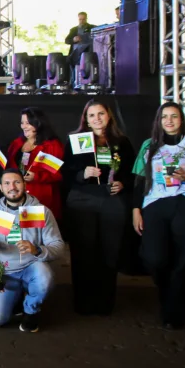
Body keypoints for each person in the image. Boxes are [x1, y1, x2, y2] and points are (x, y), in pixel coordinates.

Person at [131, 102, 185, 329]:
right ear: (158, 121)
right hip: (156, 201)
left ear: (181, 120)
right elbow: (139, 181)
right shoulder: (149, 146)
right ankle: (166, 294)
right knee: (155, 258)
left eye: (174, 116)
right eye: (164, 117)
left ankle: (174, 315)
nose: (169, 121)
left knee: (183, 260)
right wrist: (135, 210)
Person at [62, 100, 134, 316]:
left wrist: (123, 183)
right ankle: (83, 303)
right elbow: (65, 174)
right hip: (83, 200)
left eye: (100, 114)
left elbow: (132, 172)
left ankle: (105, 303)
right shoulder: (76, 141)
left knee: (109, 251)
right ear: (86, 119)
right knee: (84, 252)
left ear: (109, 116)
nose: (97, 119)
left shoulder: (121, 142)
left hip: (111, 201)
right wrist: (82, 174)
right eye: (91, 115)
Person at [0, 170, 68, 331]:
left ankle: (31, 309)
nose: (12, 187)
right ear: (1, 188)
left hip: (32, 266)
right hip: (6, 270)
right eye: (7, 183)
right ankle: (16, 296)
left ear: (25, 185)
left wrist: (37, 250)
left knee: (44, 276)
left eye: (17, 182)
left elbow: (58, 247)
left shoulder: (41, 211)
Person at [5, 107, 64, 219]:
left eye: (28, 123)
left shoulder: (51, 145)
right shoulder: (16, 143)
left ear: (38, 123)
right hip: (17, 196)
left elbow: (57, 175)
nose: (24, 126)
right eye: (22, 123)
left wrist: (36, 177)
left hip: (42, 197)